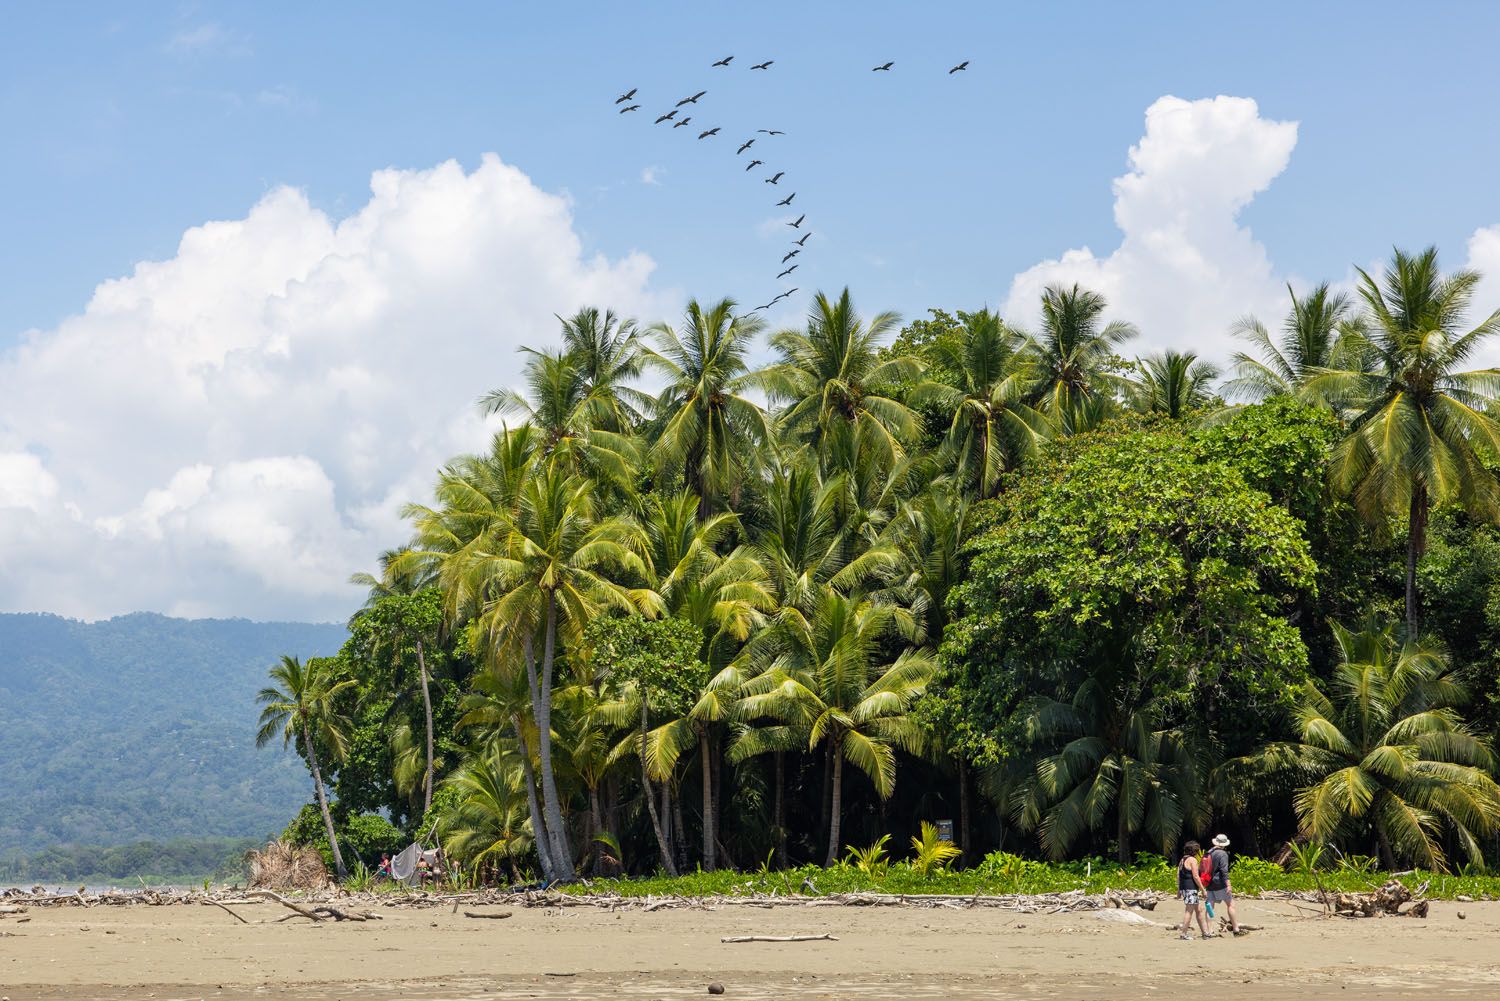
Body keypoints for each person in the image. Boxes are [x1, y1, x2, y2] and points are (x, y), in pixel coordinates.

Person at [1207, 834, 1247, 936]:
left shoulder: (1209, 852)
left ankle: (1209, 930)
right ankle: (1236, 929)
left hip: (1209, 882)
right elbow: (1224, 870)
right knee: (1230, 905)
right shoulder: (1222, 854)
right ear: (1224, 844)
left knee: (1210, 906)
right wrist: (1228, 884)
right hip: (1220, 883)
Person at [1177, 840, 1212, 940]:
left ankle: (1205, 933)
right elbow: (1196, 876)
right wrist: (1203, 889)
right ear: (1195, 851)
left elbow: (1178, 876)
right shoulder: (1192, 860)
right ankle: (1183, 934)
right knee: (1189, 911)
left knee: (1199, 910)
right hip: (1191, 889)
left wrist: (1179, 890)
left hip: (1185, 888)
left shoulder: (1182, 860)